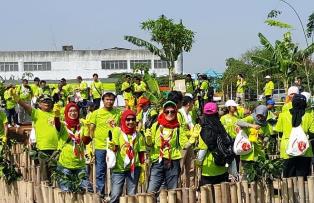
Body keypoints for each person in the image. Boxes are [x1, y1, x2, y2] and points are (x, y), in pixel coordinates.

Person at [146, 101, 190, 192]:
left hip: (173, 162)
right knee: (151, 191)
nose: (170, 114)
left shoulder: (178, 128)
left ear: (176, 112)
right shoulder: (156, 125)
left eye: (172, 112)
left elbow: (184, 145)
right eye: (167, 112)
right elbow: (149, 145)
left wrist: (192, 138)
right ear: (163, 112)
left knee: (172, 192)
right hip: (158, 161)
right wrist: (148, 139)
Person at [13, 93, 59, 182]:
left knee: (56, 175)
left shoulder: (55, 114)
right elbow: (26, 107)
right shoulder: (37, 113)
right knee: (45, 176)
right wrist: (18, 99)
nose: (47, 103)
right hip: (43, 149)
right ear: (39, 104)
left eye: (49, 101)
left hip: (56, 148)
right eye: (44, 101)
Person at [109, 110, 146, 203]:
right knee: (115, 195)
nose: (131, 122)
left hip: (134, 169)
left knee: (131, 195)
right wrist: (112, 146)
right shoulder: (117, 131)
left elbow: (141, 153)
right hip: (119, 168)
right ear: (123, 120)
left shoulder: (139, 135)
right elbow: (115, 148)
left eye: (133, 119)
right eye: (128, 119)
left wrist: (143, 168)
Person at [54, 102, 93, 192]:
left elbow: (85, 142)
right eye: (70, 111)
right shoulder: (63, 126)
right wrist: (56, 116)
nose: (73, 113)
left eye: (75, 110)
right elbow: (57, 125)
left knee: (87, 190)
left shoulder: (82, 125)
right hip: (65, 164)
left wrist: (87, 129)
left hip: (80, 164)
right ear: (66, 112)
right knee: (66, 190)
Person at [89, 92, 121, 196]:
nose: (109, 102)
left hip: (113, 146)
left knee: (114, 170)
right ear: (103, 101)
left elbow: (121, 127)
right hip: (100, 146)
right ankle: (100, 192)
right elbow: (91, 129)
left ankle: (114, 192)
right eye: (107, 99)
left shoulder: (118, 113)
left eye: (112, 100)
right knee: (100, 171)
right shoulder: (96, 113)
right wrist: (92, 143)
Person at [275, 94, 314, 179]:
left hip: (287, 148)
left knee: (288, 177)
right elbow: (312, 131)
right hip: (304, 149)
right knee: (302, 177)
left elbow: (278, 129)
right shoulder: (309, 116)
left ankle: (290, 192)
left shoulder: (283, 115)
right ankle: (302, 192)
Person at [197, 102, 230, 186]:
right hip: (222, 167)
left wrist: (198, 164)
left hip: (208, 170)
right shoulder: (221, 127)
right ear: (216, 114)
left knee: (208, 196)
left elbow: (202, 152)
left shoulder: (203, 130)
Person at [236, 105, 272, 179]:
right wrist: (251, 125)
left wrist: (264, 140)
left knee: (258, 174)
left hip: (259, 153)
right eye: (258, 115)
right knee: (246, 173)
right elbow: (238, 122)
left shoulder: (265, 125)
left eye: (262, 116)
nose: (260, 118)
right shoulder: (250, 118)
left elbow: (267, 135)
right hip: (247, 153)